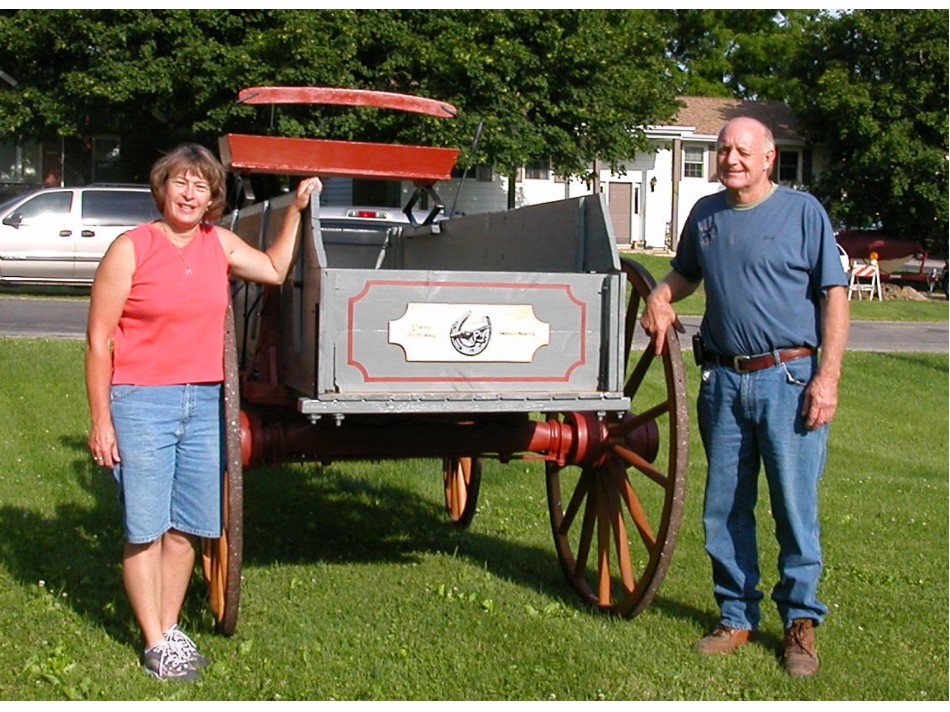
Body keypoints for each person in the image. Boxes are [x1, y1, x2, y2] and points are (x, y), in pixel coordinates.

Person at [85, 143, 321, 681]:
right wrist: (101, 420)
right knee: (145, 526)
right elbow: (98, 341)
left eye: (201, 187)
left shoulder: (219, 244)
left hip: (205, 399)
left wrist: (295, 210)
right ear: (162, 188)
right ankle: (153, 642)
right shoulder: (131, 248)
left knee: (187, 527)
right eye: (180, 183)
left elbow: (274, 269)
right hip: (142, 400)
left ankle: (169, 630)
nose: (189, 195)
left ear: (213, 198)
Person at [641, 117, 849, 678]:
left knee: (793, 506)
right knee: (725, 505)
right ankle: (736, 617)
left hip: (789, 380)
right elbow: (685, 273)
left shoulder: (804, 213)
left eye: (742, 150)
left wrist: (826, 378)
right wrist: (661, 294)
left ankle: (800, 624)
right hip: (724, 383)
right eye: (723, 149)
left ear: (768, 158)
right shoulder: (706, 215)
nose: (731, 158)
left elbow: (834, 296)